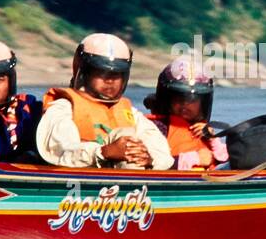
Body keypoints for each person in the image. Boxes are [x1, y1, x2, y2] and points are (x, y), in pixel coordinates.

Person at [36, 33, 172, 169]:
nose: (110, 80)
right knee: (123, 136)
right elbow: (58, 150)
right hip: (81, 178)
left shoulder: (132, 113)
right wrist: (104, 152)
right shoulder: (63, 108)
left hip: (129, 181)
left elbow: (164, 155)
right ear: (84, 72)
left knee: (127, 136)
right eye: (101, 73)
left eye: (116, 74)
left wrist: (149, 159)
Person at [143, 57, 228, 170]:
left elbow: (225, 158)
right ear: (168, 100)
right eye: (179, 98)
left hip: (203, 181)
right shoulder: (157, 127)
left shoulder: (203, 130)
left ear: (202, 102)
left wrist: (212, 139)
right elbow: (149, 161)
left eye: (192, 99)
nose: (185, 104)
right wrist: (195, 159)